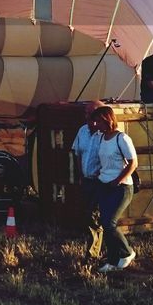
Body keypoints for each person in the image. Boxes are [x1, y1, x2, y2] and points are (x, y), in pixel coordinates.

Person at [91, 105, 137, 272]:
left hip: (121, 187)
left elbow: (133, 163)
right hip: (104, 184)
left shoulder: (122, 138)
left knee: (110, 223)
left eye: (97, 121)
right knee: (105, 223)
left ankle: (126, 253)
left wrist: (118, 180)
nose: (95, 125)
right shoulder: (101, 138)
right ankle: (112, 260)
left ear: (107, 120)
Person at [70, 106, 104, 260]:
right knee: (87, 215)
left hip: (100, 181)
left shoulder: (104, 134)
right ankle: (99, 250)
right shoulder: (82, 130)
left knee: (94, 217)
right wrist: (79, 174)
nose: (87, 116)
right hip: (86, 179)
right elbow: (77, 152)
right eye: (86, 113)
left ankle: (93, 254)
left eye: (91, 113)